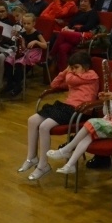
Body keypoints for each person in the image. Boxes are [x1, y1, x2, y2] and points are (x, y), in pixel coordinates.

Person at [47, 64, 112, 175]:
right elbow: (107, 113)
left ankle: (67, 149)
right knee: (88, 135)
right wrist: (106, 102)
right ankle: (70, 165)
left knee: (91, 122)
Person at [18, 51, 99, 180]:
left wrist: (67, 71)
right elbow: (54, 84)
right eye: (71, 67)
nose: (72, 70)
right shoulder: (75, 76)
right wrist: (66, 71)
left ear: (86, 66)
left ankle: (43, 165)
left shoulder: (91, 75)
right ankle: (31, 157)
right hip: (68, 107)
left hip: (80, 111)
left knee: (44, 126)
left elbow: (69, 79)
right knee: (32, 120)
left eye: (75, 67)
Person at [2, 13, 48, 97]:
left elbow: (45, 45)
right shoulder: (23, 33)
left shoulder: (37, 33)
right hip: (25, 51)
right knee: (8, 61)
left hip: (34, 53)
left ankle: (17, 85)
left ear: (34, 23)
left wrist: (36, 41)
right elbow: (23, 47)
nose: (26, 25)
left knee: (19, 64)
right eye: (24, 23)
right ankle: (10, 82)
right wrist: (18, 38)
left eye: (28, 23)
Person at [50, 0, 99, 71]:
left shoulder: (93, 13)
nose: (82, 3)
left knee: (62, 34)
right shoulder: (79, 12)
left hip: (84, 37)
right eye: (81, 1)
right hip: (73, 37)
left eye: (85, 1)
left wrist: (73, 30)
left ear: (90, 3)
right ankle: (64, 72)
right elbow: (71, 23)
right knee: (62, 48)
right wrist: (67, 27)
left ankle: (51, 55)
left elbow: (88, 27)